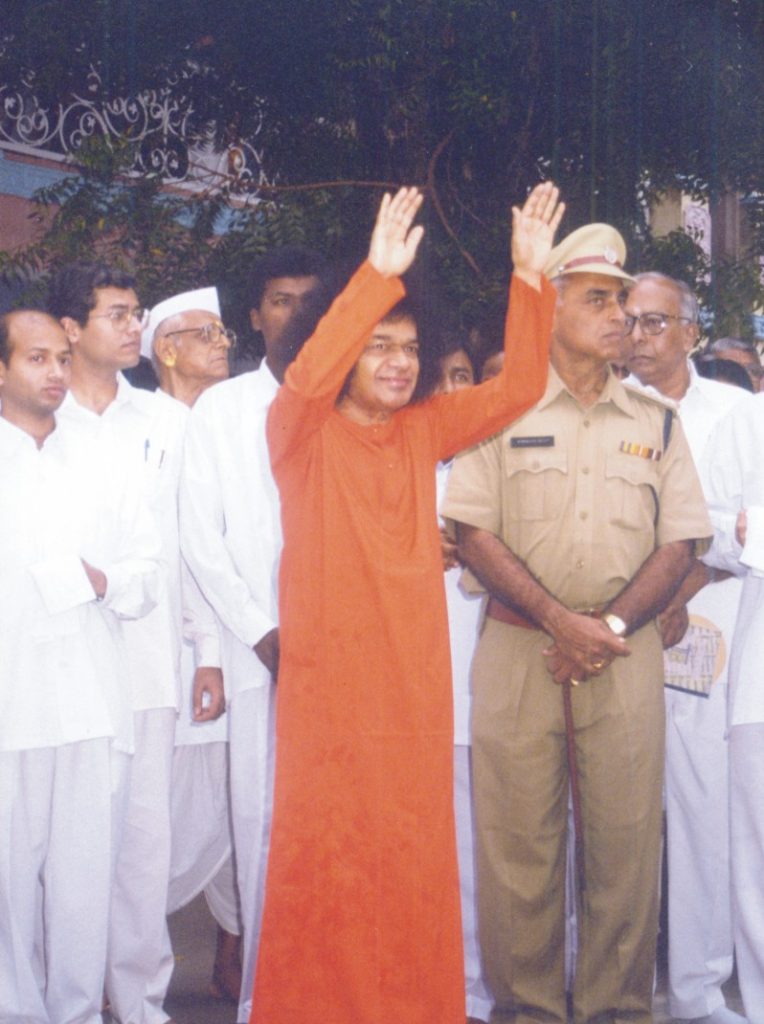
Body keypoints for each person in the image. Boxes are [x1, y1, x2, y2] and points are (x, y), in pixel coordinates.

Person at [251, 182, 562, 1024]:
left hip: (414, 690)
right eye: (378, 346)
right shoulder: (301, 432)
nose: (398, 362)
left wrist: (530, 280)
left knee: (412, 861)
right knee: (330, 861)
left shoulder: (423, 430)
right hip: (330, 696)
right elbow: (307, 378)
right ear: (343, 350)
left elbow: (519, 387)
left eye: (410, 347)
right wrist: (376, 278)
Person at [443, 224, 712, 1024]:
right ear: (550, 308)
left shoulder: (657, 421)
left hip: (623, 656)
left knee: (625, 849)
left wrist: (610, 624)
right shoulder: (500, 409)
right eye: (598, 299)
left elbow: (680, 540)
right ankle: (527, 1010)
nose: (619, 316)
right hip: (520, 650)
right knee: (517, 850)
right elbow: (472, 532)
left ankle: (617, 1011)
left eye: (622, 301)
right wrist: (561, 620)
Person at [179, 246, 326, 1023]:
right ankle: (266, 1001)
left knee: (336, 826)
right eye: (279, 300)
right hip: (255, 647)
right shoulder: (223, 410)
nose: (294, 314)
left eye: (308, 300)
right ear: (255, 316)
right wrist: (262, 634)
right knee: (262, 821)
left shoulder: (349, 399)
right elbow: (201, 537)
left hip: (342, 647)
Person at [0, 310, 160, 1024]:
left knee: (83, 890)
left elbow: (146, 575)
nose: (56, 372)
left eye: (62, 358)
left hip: (92, 705)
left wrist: (101, 581)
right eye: (36, 358)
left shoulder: (104, 460)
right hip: (10, 707)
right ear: (1, 369)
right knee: (6, 892)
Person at [48, 263, 187, 1024]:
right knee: (62, 848)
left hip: (148, 658)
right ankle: (57, 1000)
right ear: (72, 328)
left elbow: (189, 540)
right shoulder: (37, 418)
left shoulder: (165, 421)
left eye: (138, 313)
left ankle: (140, 1005)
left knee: (142, 847)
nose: (136, 327)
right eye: (118, 314)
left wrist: (203, 650)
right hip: (61, 667)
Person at [624, 272, 750, 1024]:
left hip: (707, 635)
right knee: (609, 817)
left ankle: (698, 992)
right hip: (612, 632)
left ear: (691, 332)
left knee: (703, 809)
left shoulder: (735, 414)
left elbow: (740, 527)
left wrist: (680, 591)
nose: (639, 336)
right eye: (631, 321)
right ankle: (606, 982)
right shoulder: (601, 408)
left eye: (656, 322)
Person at [142, 288, 241, 1002]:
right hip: (175, 656)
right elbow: (172, 553)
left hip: (243, 643)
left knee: (240, 808)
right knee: (168, 815)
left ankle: (238, 955)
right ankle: (123, 958)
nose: (223, 341)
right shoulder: (148, 428)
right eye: (205, 333)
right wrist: (205, 647)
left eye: (223, 331)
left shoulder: (231, 422)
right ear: (167, 350)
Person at [433, 338, 492, 1023]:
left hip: (486, 679)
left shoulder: (497, 460)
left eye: (464, 377)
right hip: (416, 685)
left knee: (478, 846)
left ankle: (473, 989)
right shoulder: (398, 462)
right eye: (439, 378)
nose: (452, 391)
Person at [702, 394, 764, 1024]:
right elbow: (705, 527)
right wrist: (737, 533)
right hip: (761, 681)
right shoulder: (748, 420)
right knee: (759, 860)